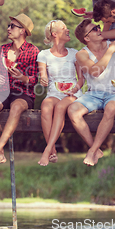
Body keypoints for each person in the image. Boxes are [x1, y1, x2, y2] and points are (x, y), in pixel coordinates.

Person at [67, 19, 115, 166]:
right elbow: (96, 72)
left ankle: (92, 151)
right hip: (93, 94)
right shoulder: (82, 55)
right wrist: (110, 51)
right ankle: (95, 149)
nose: (99, 29)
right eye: (94, 29)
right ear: (87, 38)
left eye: (98, 27)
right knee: (73, 110)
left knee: (111, 108)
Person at [0, 13, 39, 165]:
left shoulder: (33, 51)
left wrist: (23, 78)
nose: (8, 29)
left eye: (12, 26)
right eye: (9, 26)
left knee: (15, 107)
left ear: (22, 31)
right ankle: (0, 152)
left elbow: (35, 80)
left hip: (23, 93)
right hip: (2, 92)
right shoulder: (2, 50)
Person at [37, 20, 84, 166]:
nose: (68, 30)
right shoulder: (43, 55)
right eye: (64, 28)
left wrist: (75, 89)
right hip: (53, 93)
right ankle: (53, 151)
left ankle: (48, 150)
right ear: (55, 34)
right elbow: (43, 75)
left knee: (60, 107)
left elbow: (81, 79)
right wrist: (43, 79)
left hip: (73, 93)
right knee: (45, 106)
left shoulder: (74, 54)